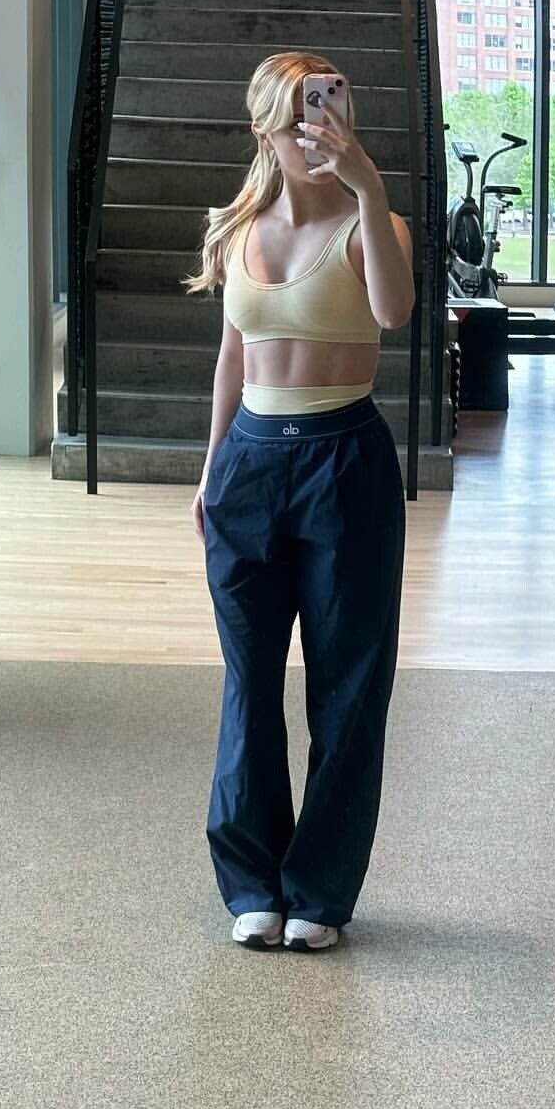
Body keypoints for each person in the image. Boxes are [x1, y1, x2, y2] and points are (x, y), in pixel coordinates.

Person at [182, 51, 416, 952]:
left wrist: (368, 187)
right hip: (250, 463)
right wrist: (211, 468)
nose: (318, 134)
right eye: (300, 121)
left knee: (348, 685)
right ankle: (251, 882)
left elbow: (393, 315)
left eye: (329, 114)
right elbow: (232, 356)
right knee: (249, 686)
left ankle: (318, 890)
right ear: (264, 131)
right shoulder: (237, 230)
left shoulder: (374, 224)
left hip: (345, 461)